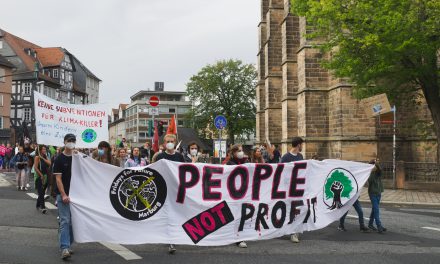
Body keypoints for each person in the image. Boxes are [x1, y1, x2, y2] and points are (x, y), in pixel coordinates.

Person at [154, 134, 183, 254]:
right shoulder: (160, 156)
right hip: (164, 188)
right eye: (168, 141)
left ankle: (173, 237)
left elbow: (184, 170)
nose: (170, 143)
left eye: (172, 141)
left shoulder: (179, 156)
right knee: (166, 213)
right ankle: (169, 238)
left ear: (175, 142)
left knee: (175, 213)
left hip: (176, 189)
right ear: (164, 143)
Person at [53, 134, 76, 260]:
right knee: (65, 220)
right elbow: (58, 179)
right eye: (69, 140)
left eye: (73, 141)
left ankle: (67, 243)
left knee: (73, 223)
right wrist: (63, 194)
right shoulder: (59, 159)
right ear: (64, 142)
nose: (71, 143)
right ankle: (64, 247)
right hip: (63, 195)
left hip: (76, 196)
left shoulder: (78, 158)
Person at [281, 137, 304, 243]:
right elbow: (281, 172)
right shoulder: (286, 157)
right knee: (289, 209)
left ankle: (294, 230)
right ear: (298, 145)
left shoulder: (300, 156)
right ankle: (290, 230)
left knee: (298, 208)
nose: (302, 146)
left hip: (298, 187)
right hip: (288, 188)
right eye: (302, 144)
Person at [368, 158, 387, 233]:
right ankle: (379, 226)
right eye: (376, 164)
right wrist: (372, 169)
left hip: (378, 193)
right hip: (372, 193)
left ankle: (370, 224)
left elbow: (380, 170)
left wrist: (376, 164)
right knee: (376, 210)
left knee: (374, 209)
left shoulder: (378, 172)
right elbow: (370, 180)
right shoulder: (370, 173)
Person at [34, 145, 51, 214]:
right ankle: (42, 207)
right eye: (43, 149)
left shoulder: (45, 156)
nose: (44, 150)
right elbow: (35, 167)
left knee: (43, 192)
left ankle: (38, 204)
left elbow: (50, 163)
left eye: (45, 149)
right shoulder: (37, 157)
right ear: (40, 150)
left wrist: (43, 158)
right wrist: (41, 175)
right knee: (41, 192)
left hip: (46, 176)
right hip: (39, 177)